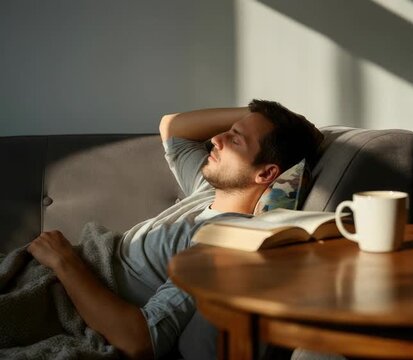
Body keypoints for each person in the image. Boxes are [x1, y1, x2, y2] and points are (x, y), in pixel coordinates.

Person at [25, 99, 324, 359]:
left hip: (65, 285)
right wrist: (266, 114)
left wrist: (63, 261)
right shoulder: (208, 188)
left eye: (234, 140)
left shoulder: (225, 241)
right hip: (49, 266)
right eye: (228, 131)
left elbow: (140, 341)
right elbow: (172, 126)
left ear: (267, 173)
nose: (215, 139)